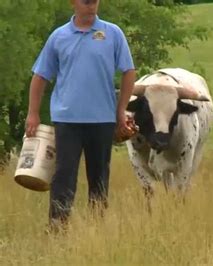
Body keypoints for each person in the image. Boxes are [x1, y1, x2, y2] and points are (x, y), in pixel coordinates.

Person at [25, 0, 135, 231]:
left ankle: (97, 226)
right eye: (86, 1)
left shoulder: (112, 33)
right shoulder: (59, 36)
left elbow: (128, 71)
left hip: (103, 118)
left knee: (99, 175)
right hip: (67, 118)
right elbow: (40, 76)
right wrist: (32, 113)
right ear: (73, 2)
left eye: (94, 1)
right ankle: (57, 225)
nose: (91, 5)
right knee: (64, 174)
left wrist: (121, 109)